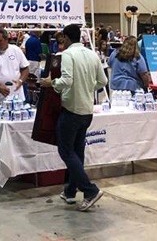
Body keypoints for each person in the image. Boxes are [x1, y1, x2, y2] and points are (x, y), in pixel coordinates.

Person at [39, 24, 107, 212]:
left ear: (67, 38)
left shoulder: (67, 55)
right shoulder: (92, 54)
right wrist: (86, 88)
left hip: (72, 110)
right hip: (87, 111)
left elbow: (66, 80)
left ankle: (90, 190)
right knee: (77, 152)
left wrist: (50, 83)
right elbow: (103, 81)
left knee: (66, 151)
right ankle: (70, 191)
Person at [0, 28, 30, 103]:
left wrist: (20, 81)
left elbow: (25, 69)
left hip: (17, 96)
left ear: (6, 39)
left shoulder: (16, 50)